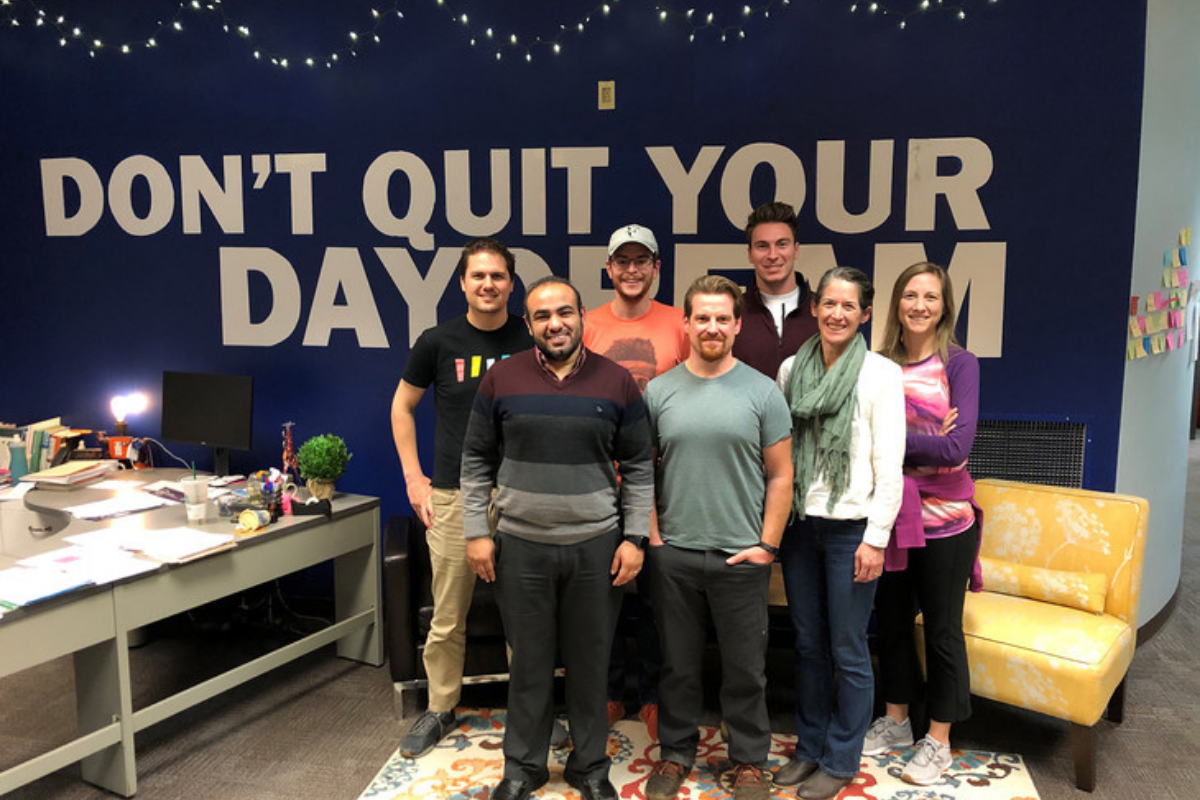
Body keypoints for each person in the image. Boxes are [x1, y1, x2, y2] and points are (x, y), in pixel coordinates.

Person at [460, 276, 654, 800]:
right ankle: (523, 767)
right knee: (528, 662)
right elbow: (476, 460)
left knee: (592, 663)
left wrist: (634, 538)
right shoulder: (502, 380)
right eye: (543, 316)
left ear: (581, 316)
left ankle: (589, 767)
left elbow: (638, 466)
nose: (555, 323)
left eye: (564, 312)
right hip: (520, 546)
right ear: (529, 324)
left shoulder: (616, 381)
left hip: (596, 546)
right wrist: (478, 532)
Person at [641, 275, 793, 800]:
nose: (711, 327)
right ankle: (677, 754)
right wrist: (655, 540)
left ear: (736, 324)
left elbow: (781, 475)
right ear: (686, 324)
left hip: (742, 554)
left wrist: (767, 547)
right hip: (674, 555)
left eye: (721, 318)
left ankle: (749, 761)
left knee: (746, 670)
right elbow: (643, 473)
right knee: (678, 666)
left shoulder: (762, 391)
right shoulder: (658, 392)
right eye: (701, 317)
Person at [390, 237, 533, 759]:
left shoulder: (532, 335)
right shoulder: (437, 341)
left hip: (523, 494)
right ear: (463, 283)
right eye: (479, 276)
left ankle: (529, 711)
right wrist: (413, 478)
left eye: (498, 276)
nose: (489, 285)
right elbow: (401, 408)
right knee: (448, 614)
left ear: (511, 284)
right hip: (455, 494)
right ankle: (441, 707)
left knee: (526, 612)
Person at [773, 267, 905, 800]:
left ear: (865, 314)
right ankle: (809, 747)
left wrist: (876, 538)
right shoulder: (789, 369)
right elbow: (780, 453)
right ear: (814, 307)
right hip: (803, 527)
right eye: (828, 303)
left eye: (848, 306)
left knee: (848, 647)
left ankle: (842, 756)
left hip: (853, 529)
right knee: (807, 645)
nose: (836, 314)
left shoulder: (880, 374)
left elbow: (889, 466)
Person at [862, 262, 982, 785]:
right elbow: (860, 442)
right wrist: (924, 438)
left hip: (948, 523)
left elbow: (957, 449)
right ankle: (897, 721)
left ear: (944, 305)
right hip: (890, 515)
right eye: (910, 295)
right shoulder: (878, 364)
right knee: (888, 624)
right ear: (897, 303)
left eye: (930, 297)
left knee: (941, 631)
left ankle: (939, 739)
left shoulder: (960, 365)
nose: (919, 305)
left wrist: (896, 441)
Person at [584, 223, 688, 739]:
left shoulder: (680, 323)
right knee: (604, 596)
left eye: (640, 261)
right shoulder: (586, 324)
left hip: (663, 483)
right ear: (609, 269)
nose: (630, 270)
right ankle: (607, 692)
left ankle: (650, 695)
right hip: (600, 482)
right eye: (621, 261)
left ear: (656, 268)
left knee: (652, 599)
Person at [732, 201, 819, 378]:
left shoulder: (825, 311)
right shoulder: (731, 313)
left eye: (782, 244)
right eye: (762, 246)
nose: (772, 255)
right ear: (749, 254)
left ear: (796, 250)